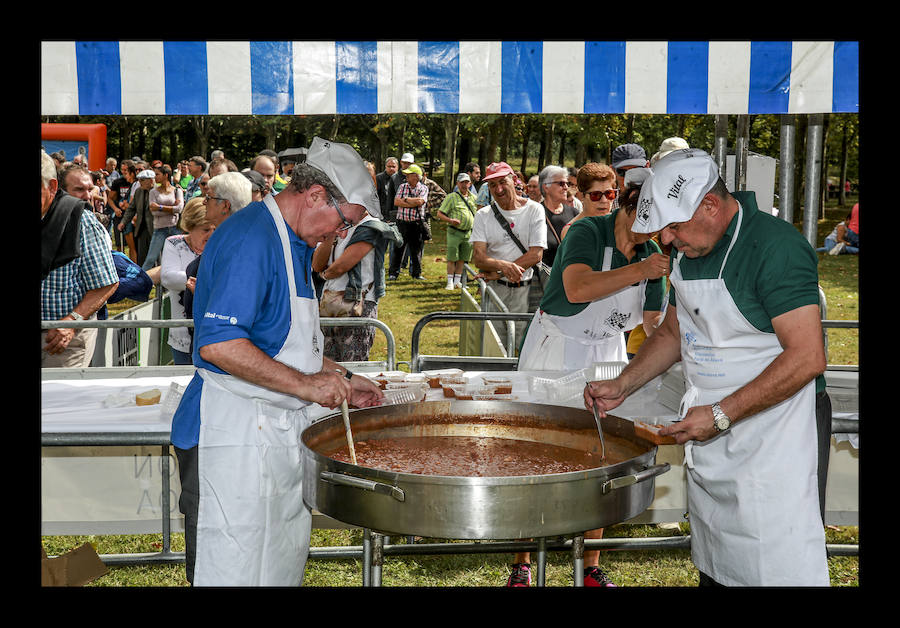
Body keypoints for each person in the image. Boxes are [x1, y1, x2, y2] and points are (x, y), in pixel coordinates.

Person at [584, 149, 831, 587]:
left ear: (710, 206)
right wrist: (623, 384)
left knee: (776, 558)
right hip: (710, 430)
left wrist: (720, 414)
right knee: (718, 558)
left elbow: (806, 356)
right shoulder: (689, 248)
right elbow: (674, 331)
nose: (668, 240)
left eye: (674, 227)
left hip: (775, 434)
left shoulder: (775, 247)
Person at [169, 137, 384, 587]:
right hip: (230, 435)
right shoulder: (252, 238)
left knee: (275, 562)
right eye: (344, 222)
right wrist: (308, 386)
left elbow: (283, 343)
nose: (340, 235)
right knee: (231, 567)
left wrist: (344, 375)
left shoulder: (295, 243)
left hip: (271, 433)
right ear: (316, 196)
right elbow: (220, 344)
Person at [513, 167, 667, 588]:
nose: (651, 233)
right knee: (535, 449)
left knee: (603, 455)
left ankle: (590, 566)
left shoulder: (652, 252)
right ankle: (523, 563)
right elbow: (577, 289)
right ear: (629, 207)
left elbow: (653, 321)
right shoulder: (587, 232)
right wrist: (641, 270)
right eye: (648, 222)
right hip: (558, 346)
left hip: (607, 351)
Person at [41, 150, 119, 368]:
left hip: (63, 340)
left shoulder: (81, 221)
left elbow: (107, 283)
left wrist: (71, 321)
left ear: (52, 187)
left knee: (57, 392)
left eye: (88, 189)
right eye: (79, 189)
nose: (87, 195)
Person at [469, 161, 547, 354]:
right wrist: (503, 268)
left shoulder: (534, 209)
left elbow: (536, 254)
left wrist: (499, 271)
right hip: (494, 291)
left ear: (515, 180)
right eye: (493, 185)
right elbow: (479, 258)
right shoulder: (483, 215)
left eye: (503, 182)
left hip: (526, 290)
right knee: (495, 346)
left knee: (525, 347)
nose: (499, 189)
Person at [180, 171, 255, 354]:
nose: (203, 202)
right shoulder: (227, 238)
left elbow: (238, 303)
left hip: (227, 351)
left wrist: (204, 293)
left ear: (225, 206)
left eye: (209, 197)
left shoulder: (240, 244)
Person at [312, 208, 401, 362]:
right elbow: (316, 265)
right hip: (328, 304)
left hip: (357, 305)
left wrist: (322, 276)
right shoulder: (337, 225)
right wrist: (331, 234)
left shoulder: (371, 227)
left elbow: (340, 267)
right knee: (326, 365)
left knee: (353, 364)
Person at [160, 197, 215, 365]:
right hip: (182, 335)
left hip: (213, 334)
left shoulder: (219, 246)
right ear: (190, 227)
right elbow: (168, 278)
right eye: (205, 229)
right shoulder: (174, 244)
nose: (212, 234)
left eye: (215, 228)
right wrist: (207, 282)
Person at [436, 172, 479, 289]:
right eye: (462, 182)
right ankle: (450, 281)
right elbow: (439, 213)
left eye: (466, 182)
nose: (464, 185)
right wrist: (450, 220)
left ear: (470, 184)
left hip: (468, 233)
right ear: (457, 184)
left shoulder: (474, 198)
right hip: (454, 232)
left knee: (463, 258)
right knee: (452, 257)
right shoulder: (451, 197)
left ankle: (457, 281)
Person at [388, 163, 429, 281]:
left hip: (416, 224)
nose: (406, 176)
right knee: (398, 248)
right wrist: (412, 202)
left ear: (416, 176)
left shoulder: (423, 188)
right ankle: (393, 273)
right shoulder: (402, 186)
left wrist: (405, 200)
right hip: (402, 223)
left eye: (408, 174)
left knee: (416, 251)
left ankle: (416, 274)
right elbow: (396, 202)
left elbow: (420, 202)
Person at [560, 162, 619, 239]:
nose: (604, 200)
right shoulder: (572, 231)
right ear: (582, 195)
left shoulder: (620, 224)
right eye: (596, 195)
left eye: (609, 194)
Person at [143, 165, 185, 270]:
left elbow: (179, 209)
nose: (155, 177)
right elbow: (154, 212)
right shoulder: (153, 192)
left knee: (179, 257)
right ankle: (140, 278)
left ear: (166, 175)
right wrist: (172, 208)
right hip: (160, 229)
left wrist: (160, 207)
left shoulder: (177, 191)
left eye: (157, 174)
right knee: (151, 258)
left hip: (175, 228)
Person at [385, 152, 416, 276]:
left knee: (412, 245)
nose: (406, 165)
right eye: (404, 162)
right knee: (396, 243)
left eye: (409, 163)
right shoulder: (394, 178)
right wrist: (388, 216)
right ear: (401, 163)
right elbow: (390, 198)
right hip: (397, 215)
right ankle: (394, 270)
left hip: (413, 216)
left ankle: (412, 270)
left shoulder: (416, 176)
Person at [119, 169, 157, 267]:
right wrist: (123, 222)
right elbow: (131, 208)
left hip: (155, 228)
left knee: (156, 257)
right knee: (142, 257)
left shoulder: (158, 191)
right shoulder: (139, 191)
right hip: (141, 228)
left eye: (142, 180)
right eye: (139, 180)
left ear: (151, 180)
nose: (140, 182)